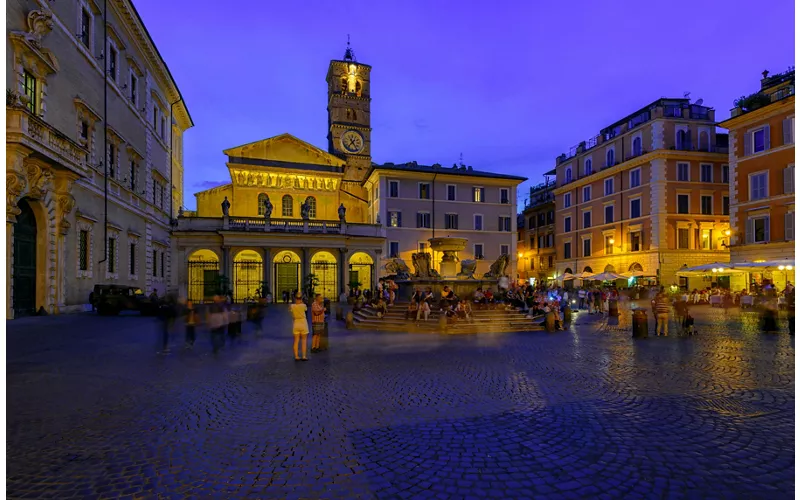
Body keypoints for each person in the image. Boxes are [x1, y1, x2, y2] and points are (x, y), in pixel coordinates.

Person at [290, 294, 309, 361]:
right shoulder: (303, 305)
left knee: (296, 341)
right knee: (304, 340)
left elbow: (291, 312)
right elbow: (305, 309)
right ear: (301, 299)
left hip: (296, 323)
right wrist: (302, 302)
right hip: (303, 323)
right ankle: (303, 356)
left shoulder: (292, 306)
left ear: (295, 299)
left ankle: (296, 356)